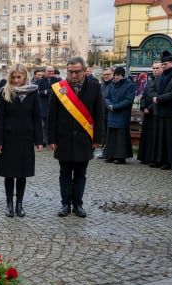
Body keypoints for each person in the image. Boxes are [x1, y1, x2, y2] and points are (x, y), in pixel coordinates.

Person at [47, 56, 104, 218]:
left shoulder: (94, 87)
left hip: (84, 139)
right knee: (64, 173)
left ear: (84, 71)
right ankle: (65, 204)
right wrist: (51, 139)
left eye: (77, 72)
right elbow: (52, 117)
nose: (73, 75)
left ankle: (78, 204)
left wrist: (98, 139)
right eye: (70, 72)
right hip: (63, 139)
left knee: (80, 173)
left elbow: (99, 115)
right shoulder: (58, 88)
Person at [0, 64, 43, 218]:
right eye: (13, 77)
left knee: (22, 173)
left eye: (19, 77)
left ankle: (19, 204)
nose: (16, 80)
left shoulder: (33, 93)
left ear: (25, 77)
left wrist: (39, 140)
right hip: (8, 138)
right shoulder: (4, 92)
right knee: (9, 173)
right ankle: (9, 204)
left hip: (26, 138)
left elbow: (36, 117)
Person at [149, 51, 172, 170]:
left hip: (170, 111)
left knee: (168, 139)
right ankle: (159, 159)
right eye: (162, 65)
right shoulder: (162, 75)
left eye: (165, 64)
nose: (163, 66)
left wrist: (159, 99)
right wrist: (155, 97)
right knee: (159, 138)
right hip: (159, 111)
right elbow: (153, 89)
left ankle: (168, 161)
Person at [103, 67, 135, 164]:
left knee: (120, 137)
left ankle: (120, 157)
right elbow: (106, 97)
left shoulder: (129, 85)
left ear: (122, 75)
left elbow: (129, 100)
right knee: (111, 135)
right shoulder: (112, 84)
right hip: (112, 113)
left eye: (117, 75)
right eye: (115, 75)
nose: (115, 77)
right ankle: (110, 155)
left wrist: (115, 107)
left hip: (122, 114)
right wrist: (109, 105)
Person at [137, 62, 163, 164]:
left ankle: (153, 158)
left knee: (154, 137)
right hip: (147, 113)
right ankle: (145, 157)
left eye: (157, 68)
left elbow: (158, 97)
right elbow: (143, 96)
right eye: (153, 68)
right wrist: (143, 107)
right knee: (146, 137)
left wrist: (150, 108)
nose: (155, 70)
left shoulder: (162, 81)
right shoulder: (150, 81)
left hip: (155, 113)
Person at [38, 66, 60, 145]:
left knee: (52, 124)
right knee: (43, 125)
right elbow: (39, 92)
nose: (51, 73)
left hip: (54, 105)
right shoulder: (41, 81)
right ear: (45, 72)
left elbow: (58, 91)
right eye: (49, 71)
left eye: (52, 71)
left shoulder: (58, 80)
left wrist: (47, 91)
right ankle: (43, 140)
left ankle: (51, 140)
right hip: (43, 106)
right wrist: (46, 92)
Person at [97, 68, 114, 159]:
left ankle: (107, 151)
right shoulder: (101, 85)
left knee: (109, 133)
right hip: (102, 113)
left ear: (112, 74)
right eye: (104, 74)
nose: (106, 76)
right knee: (103, 133)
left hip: (111, 113)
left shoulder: (114, 84)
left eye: (108, 74)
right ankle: (104, 150)